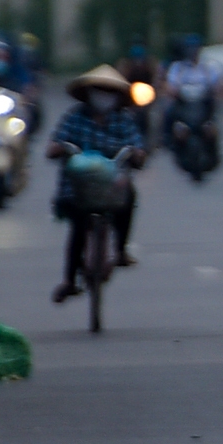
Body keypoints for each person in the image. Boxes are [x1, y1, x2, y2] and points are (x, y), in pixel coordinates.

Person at [46, 67, 149, 302]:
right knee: (78, 229)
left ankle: (121, 250)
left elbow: (138, 147)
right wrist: (59, 148)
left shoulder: (123, 121)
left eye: (108, 91)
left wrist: (137, 155)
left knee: (129, 196)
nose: (103, 95)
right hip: (79, 187)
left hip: (112, 184)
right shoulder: (75, 117)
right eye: (98, 90)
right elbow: (54, 144)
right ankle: (69, 280)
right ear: (89, 93)